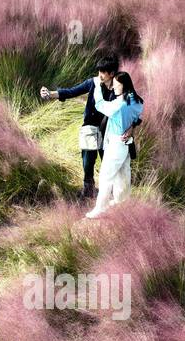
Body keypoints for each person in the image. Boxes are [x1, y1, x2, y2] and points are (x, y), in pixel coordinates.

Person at [40, 56, 141, 200]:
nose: (99, 74)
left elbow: (134, 111)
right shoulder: (93, 83)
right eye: (99, 70)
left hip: (110, 131)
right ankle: (88, 188)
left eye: (103, 71)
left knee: (108, 162)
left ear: (111, 74)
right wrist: (50, 94)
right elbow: (72, 92)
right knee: (88, 159)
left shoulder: (120, 88)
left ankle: (113, 194)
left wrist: (131, 128)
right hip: (90, 127)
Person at [84, 71, 143, 219]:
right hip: (126, 142)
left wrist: (97, 86)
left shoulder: (120, 103)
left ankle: (100, 208)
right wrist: (131, 126)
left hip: (116, 142)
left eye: (117, 84)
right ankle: (121, 202)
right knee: (123, 173)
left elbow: (100, 105)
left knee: (106, 175)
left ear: (124, 85)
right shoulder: (135, 100)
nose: (114, 87)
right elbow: (137, 116)